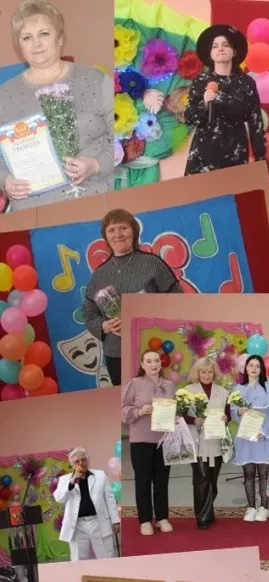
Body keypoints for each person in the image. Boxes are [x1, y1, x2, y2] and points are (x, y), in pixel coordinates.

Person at [0, 0, 114, 212]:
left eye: (44, 34)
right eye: (27, 37)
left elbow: (123, 138)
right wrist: (5, 180)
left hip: (95, 199)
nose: (36, 44)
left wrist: (96, 164)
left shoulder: (96, 80)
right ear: (19, 45)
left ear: (60, 38)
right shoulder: (4, 96)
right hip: (33, 209)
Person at [83, 210, 182, 386]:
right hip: (117, 353)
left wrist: (152, 317)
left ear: (134, 231)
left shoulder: (152, 263)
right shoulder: (99, 274)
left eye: (123, 228)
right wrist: (105, 326)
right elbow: (89, 315)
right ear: (106, 236)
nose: (118, 234)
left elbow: (178, 299)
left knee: (161, 397)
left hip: (154, 346)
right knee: (129, 400)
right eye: (111, 230)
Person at [184, 25, 266, 175]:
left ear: (234, 51)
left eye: (225, 45)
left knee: (233, 189)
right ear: (210, 53)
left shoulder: (246, 82)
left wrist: (260, 157)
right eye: (215, 46)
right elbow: (189, 117)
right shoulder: (201, 81)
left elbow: (256, 122)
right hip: (204, 152)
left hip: (235, 151)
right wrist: (204, 103)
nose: (220, 49)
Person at [121, 350, 176, 536]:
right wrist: (138, 411)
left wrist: (176, 417)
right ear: (142, 365)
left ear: (161, 363)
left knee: (162, 481)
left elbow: (176, 409)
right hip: (141, 441)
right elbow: (123, 410)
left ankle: (162, 518)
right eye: (149, 361)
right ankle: (145, 520)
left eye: (156, 361)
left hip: (164, 440)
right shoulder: (134, 383)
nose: (153, 364)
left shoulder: (170, 385)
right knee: (143, 481)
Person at [182, 357, 230, 530]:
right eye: (203, 372)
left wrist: (226, 418)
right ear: (197, 373)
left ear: (214, 373)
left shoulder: (223, 392)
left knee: (213, 481)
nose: (207, 375)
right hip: (197, 442)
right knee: (201, 480)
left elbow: (228, 414)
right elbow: (180, 414)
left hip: (215, 442)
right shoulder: (188, 391)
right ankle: (202, 517)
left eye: (210, 372)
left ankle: (208, 511)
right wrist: (193, 420)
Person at [230, 355, 269, 523]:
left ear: (262, 369)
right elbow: (232, 411)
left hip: (263, 437)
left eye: (257, 366)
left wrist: (264, 430)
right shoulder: (238, 389)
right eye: (251, 365)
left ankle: (264, 508)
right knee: (248, 474)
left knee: (264, 474)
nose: (254, 368)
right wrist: (238, 412)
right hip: (245, 438)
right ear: (246, 368)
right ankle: (251, 507)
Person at [52, 446, 119, 561]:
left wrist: (115, 520)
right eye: (77, 461)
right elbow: (59, 498)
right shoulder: (65, 480)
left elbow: (110, 499)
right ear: (72, 464)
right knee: (79, 560)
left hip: (98, 522)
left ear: (88, 460)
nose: (81, 463)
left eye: (83, 460)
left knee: (107, 557)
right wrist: (72, 482)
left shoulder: (100, 475)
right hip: (77, 525)